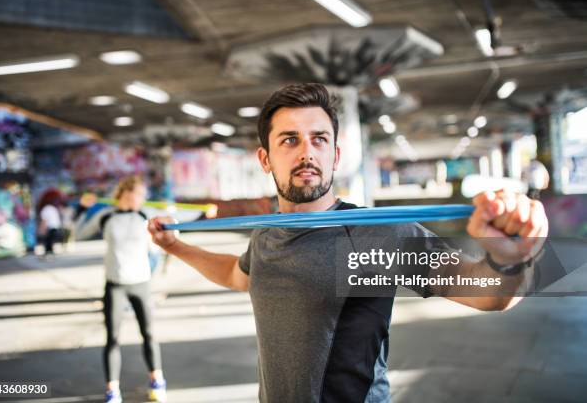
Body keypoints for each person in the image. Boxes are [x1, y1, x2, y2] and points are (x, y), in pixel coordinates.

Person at [148, 83, 548, 402]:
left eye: (319, 139)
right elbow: (239, 275)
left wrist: (510, 260)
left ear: (335, 155)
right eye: (289, 140)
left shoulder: (376, 233)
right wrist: (176, 247)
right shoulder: (267, 231)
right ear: (265, 159)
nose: (307, 152)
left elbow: (489, 294)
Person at [75, 176, 166, 403]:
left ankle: (157, 382)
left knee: (149, 334)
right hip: (115, 285)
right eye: (140, 194)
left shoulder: (145, 216)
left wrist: (201, 216)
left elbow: (161, 245)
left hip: (141, 283)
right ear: (127, 192)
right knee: (112, 339)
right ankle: (112, 391)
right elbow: (78, 233)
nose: (143, 199)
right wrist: (82, 207)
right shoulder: (106, 215)